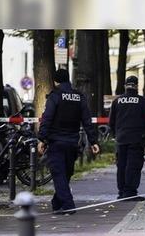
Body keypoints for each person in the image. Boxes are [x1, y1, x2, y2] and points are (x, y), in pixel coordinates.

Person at [37, 68, 99, 214]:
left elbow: (47, 119)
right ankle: (56, 203)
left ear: (55, 81)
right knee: (66, 173)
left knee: (59, 174)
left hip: (56, 141)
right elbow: (87, 121)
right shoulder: (79, 97)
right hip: (72, 142)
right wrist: (94, 141)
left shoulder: (55, 96)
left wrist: (42, 139)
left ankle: (68, 205)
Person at [108, 75, 145, 201]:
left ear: (125, 86)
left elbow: (111, 122)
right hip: (136, 139)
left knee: (122, 165)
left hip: (121, 138)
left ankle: (122, 191)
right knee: (133, 165)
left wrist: (115, 135)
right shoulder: (143, 102)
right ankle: (130, 192)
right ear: (136, 86)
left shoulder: (117, 101)